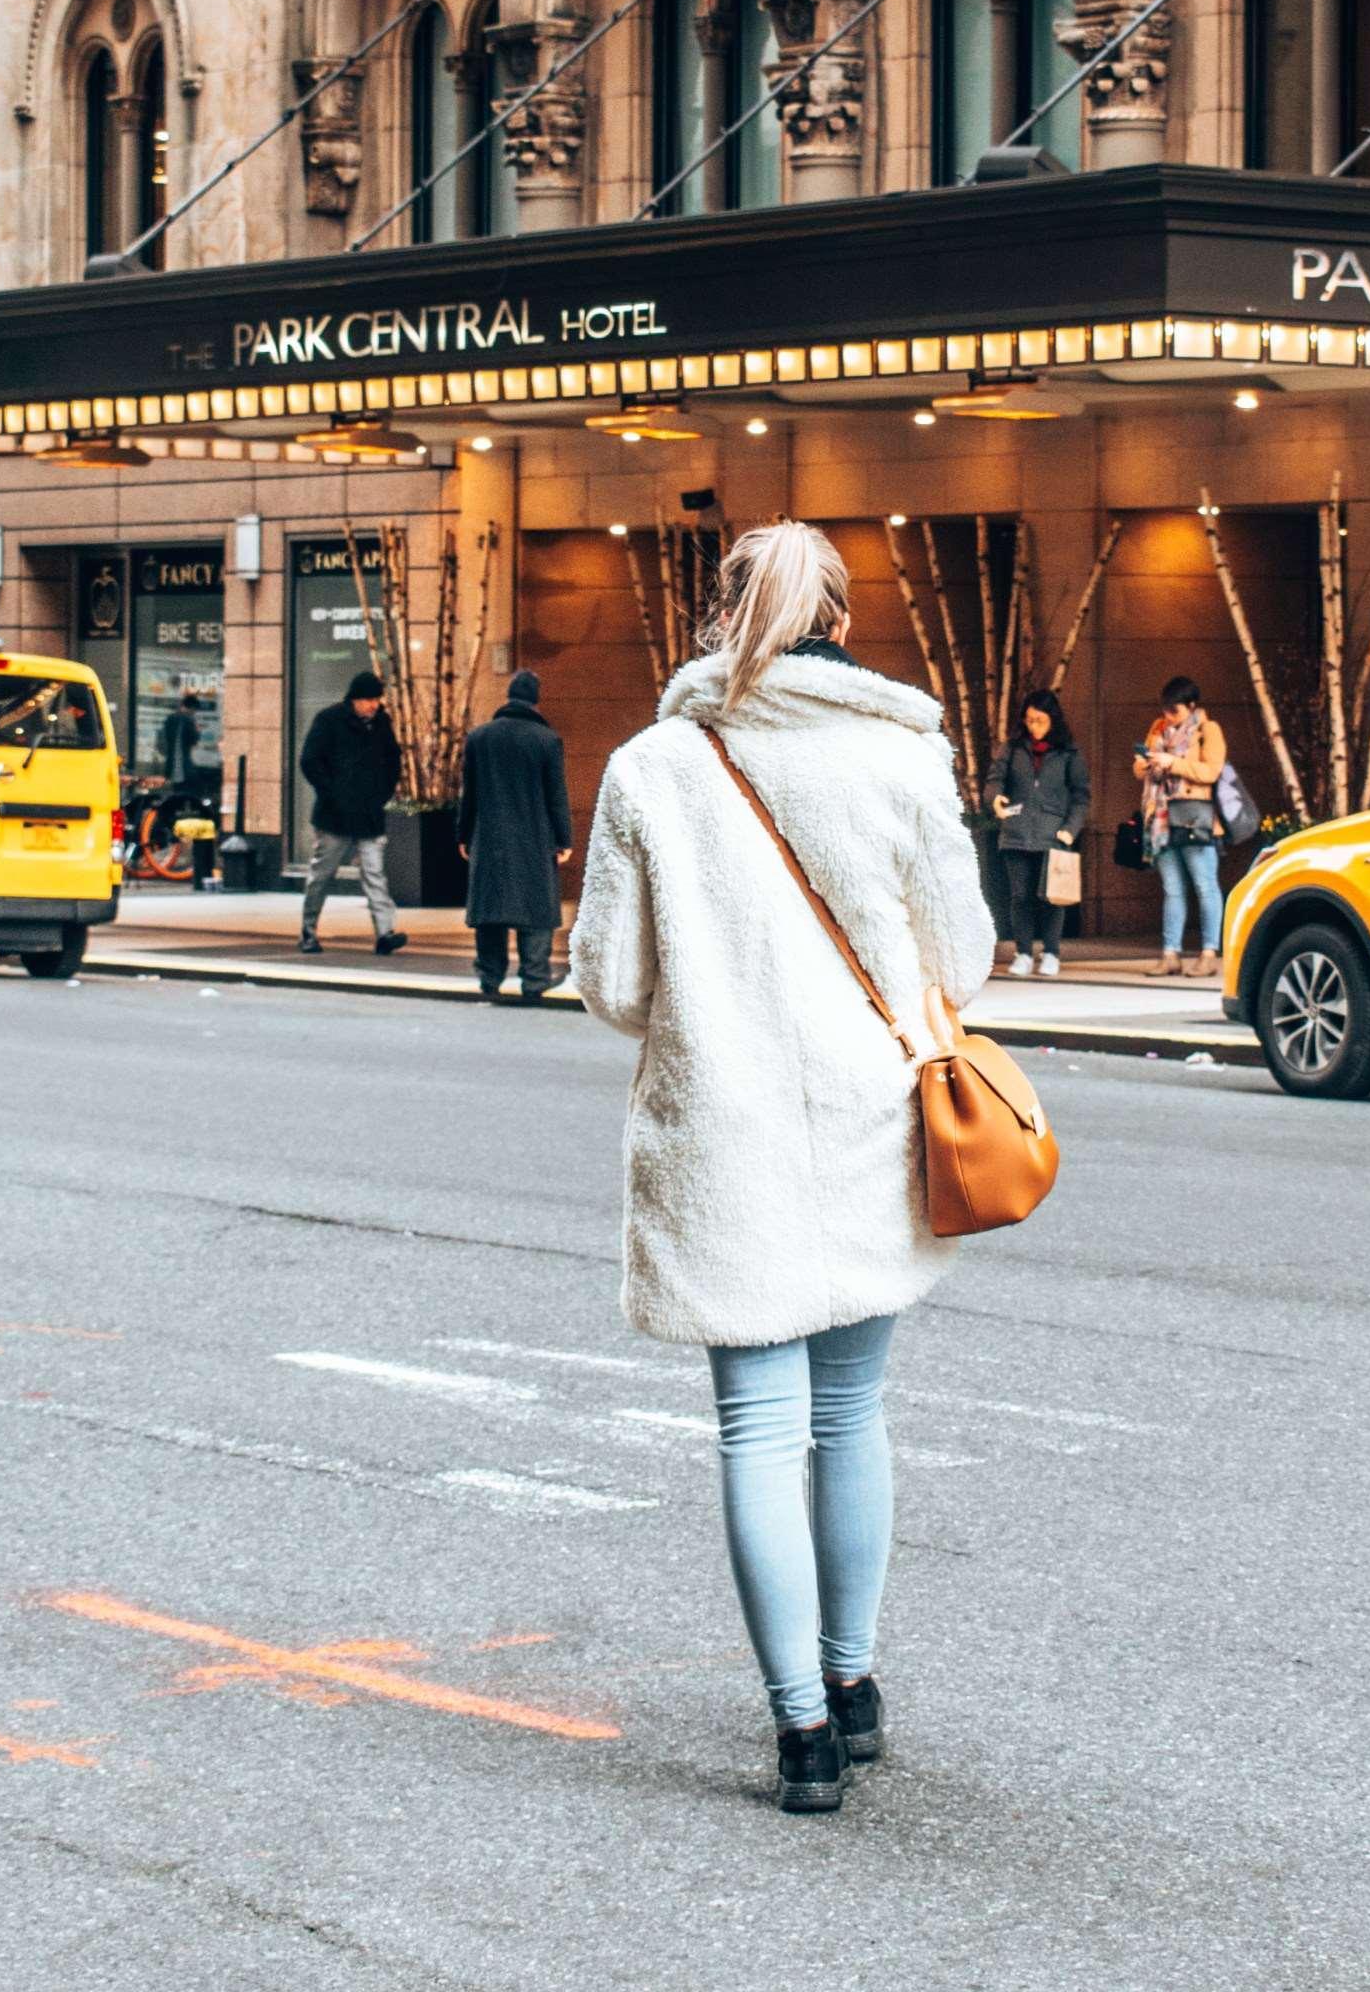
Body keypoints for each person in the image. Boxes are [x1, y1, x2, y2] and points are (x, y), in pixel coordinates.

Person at [570, 520, 993, 1815]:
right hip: (872, 1127)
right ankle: (854, 1683)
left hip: (726, 1134)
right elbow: (961, 960)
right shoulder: (899, 756)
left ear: (718, 618)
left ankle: (800, 1731)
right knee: (852, 1415)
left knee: (757, 1427)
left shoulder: (652, 769)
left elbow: (616, 984)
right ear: (843, 623)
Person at [458, 669, 573, 1002]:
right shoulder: (546, 740)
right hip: (534, 839)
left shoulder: (479, 738)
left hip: (489, 838)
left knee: (491, 909)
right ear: (535, 701)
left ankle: (490, 978)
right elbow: (557, 794)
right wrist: (563, 839)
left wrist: (463, 834)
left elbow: (470, 794)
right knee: (536, 909)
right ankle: (535, 979)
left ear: (508, 697)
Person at [296, 669, 408, 956]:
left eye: (376, 699)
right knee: (322, 874)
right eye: (368, 699)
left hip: (369, 814)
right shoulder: (329, 720)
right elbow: (310, 760)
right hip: (335, 815)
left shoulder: (381, 723)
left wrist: (382, 793)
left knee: (375, 875)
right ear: (354, 700)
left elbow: (393, 760)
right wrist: (332, 791)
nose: (373, 705)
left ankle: (385, 933)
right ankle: (308, 931)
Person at [984, 688, 1090, 978]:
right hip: (1016, 831)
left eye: (1040, 720)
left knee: (1052, 897)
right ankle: (1023, 952)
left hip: (1054, 834)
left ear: (1052, 720)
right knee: (1020, 896)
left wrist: (1070, 829)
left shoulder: (1069, 753)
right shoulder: (1013, 748)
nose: (1034, 727)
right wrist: (994, 799)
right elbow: (995, 780)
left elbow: (1081, 795)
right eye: (1030, 721)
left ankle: (1052, 952)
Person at [1135, 674, 1227, 979]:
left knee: (1205, 885)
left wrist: (1172, 763)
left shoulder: (1207, 729)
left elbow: (1211, 771)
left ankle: (1209, 952)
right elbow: (1139, 769)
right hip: (1161, 818)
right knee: (1172, 889)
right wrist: (1146, 763)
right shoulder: (1157, 729)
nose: (1168, 716)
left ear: (1191, 706)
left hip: (1194, 817)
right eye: (1165, 710)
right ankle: (1170, 953)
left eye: (1174, 711)